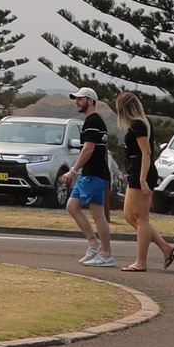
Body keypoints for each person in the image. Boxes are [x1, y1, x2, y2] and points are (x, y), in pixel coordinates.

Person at [115, 88, 174, 273]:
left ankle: (141, 261)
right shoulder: (139, 124)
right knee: (129, 216)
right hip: (136, 171)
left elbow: (146, 153)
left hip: (142, 172)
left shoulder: (139, 125)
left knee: (141, 219)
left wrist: (142, 180)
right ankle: (166, 247)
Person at [66, 89, 117, 264]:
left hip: (94, 174)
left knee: (98, 215)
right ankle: (93, 243)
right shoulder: (91, 121)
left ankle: (107, 254)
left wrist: (72, 170)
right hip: (88, 174)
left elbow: (89, 149)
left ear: (90, 101)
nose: (77, 102)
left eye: (80, 99)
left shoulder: (93, 121)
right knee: (72, 206)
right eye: (76, 99)